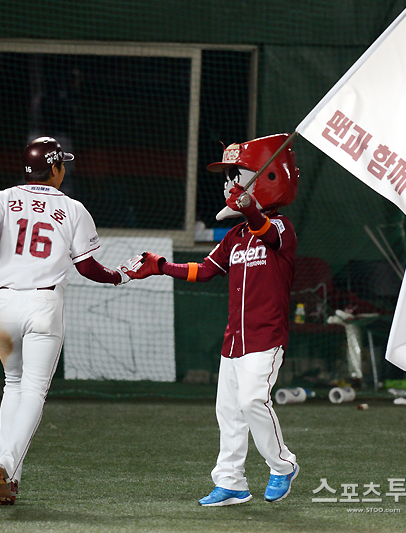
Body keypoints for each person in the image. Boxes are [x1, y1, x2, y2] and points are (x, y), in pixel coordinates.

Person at [128, 133, 301, 506]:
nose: (229, 184)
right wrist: (161, 267)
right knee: (229, 413)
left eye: (237, 175)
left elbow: (268, 233)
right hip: (234, 342)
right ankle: (231, 482)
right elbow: (205, 270)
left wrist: (253, 208)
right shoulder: (235, 236)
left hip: (265, 338)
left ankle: (282, 465)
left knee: (254, 400)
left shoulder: (282, 228)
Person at [0, 137, 142, 506]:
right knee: (33, 390)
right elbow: (88, 267)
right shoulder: (73, 209)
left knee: (12, 384)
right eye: (62, 164)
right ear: (55, 169)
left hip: (3, 302)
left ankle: (10, 478)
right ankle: (8, 462)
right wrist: (122, 276)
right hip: (43, 305)